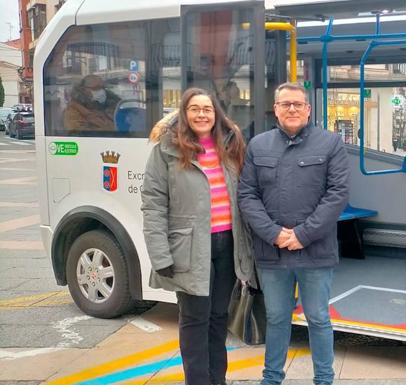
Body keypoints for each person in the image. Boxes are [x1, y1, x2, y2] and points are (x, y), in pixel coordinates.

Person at [141, 87, 256, 385]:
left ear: (216, 114)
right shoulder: (165, 151)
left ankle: (217, 380)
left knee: (219, 319)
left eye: (207, 109)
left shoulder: (230, 146)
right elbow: (153, 205)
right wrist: (160, 255)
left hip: (227, 246)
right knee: (194, 321)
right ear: (184, 113)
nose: (202, 114)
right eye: (195, 108)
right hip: (189, 250)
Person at [238, 82, 350, 385]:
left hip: (315, 251)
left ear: (308, 109)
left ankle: (324, 380)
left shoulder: (330, 143)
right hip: (272, 252)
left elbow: (337, 194)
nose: (292, 109)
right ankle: (271, 379)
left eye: (298, 104)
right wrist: (274, 234)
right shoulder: (258, 145)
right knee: (276, 318)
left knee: (318, 319)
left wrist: (303, 234)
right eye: (285, 104)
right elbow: (247, 195)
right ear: (275, 109)